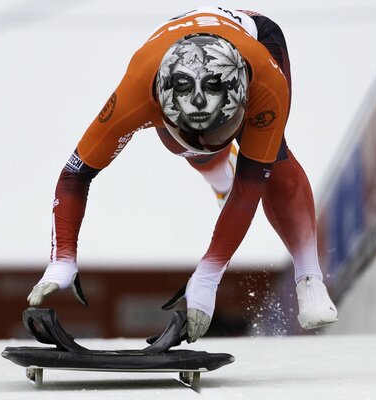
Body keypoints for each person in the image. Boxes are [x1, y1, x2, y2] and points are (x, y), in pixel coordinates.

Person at [27, 6, 338, 342]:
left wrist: (208, 275)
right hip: (166, 63)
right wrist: (62, 258)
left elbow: (250, 188)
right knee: (186, 148)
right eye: (197, 135)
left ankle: (309, 276)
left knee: (274, 159)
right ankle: (219, 177)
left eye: (222, 131)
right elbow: (75, 174)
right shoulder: (136, 91)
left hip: (257, 37)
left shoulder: (266, 82)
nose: (210, 142)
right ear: (161, 108)